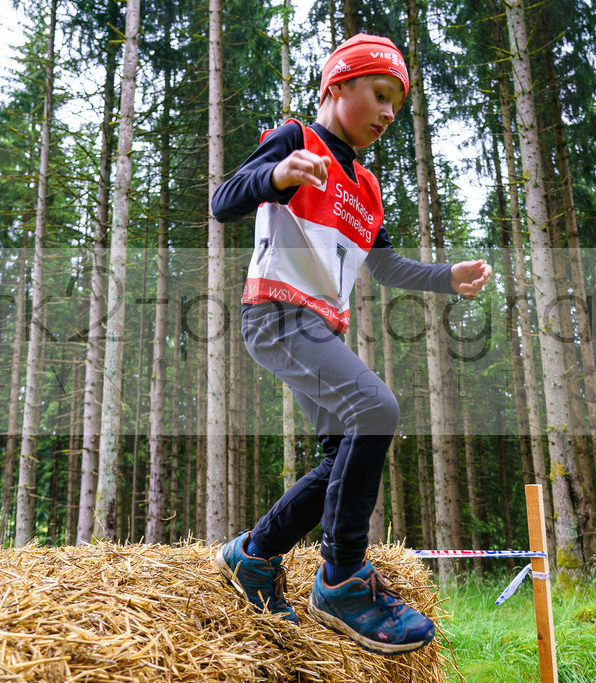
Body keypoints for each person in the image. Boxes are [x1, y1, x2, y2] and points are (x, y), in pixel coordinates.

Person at [209, 33, 492, 656]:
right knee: (378, 409)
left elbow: (384, 267)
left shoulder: (366, 188)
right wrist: (277, 175)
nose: (390, 113)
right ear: (337, 87)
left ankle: (253, 556)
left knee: (339, 456)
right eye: (381, 94)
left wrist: (446, 278)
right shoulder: (296, 140)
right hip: (277, 314)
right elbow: (224, 200)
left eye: (398, 104)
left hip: (320, 328)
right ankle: (341, 579)